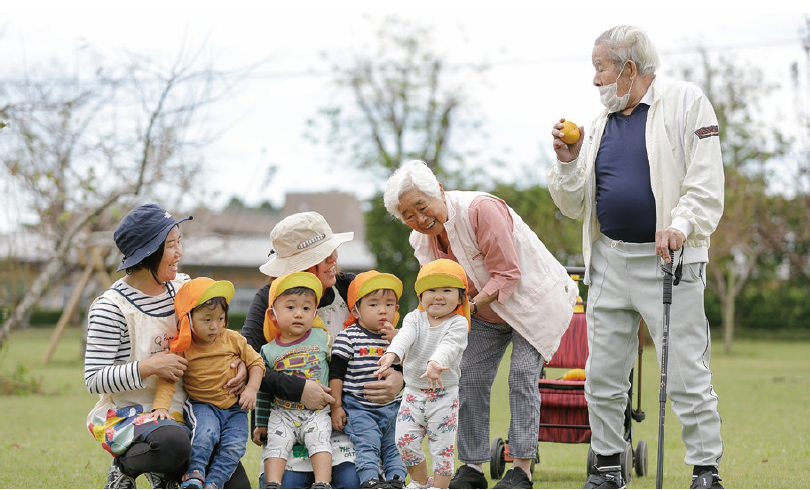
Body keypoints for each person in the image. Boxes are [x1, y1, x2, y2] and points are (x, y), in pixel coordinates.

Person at [547, 25, 725, 490]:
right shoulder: (601, 124)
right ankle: (608, 466)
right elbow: (573, 205)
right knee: (602, 374)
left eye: (600, 68)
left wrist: (680, 225)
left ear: (628, 68)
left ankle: (706, 471)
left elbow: (704, 185)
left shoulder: (687, 103)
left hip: (669, 260)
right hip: (607, 260)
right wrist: (568, 162)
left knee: (685, 371)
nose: (594, 80)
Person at [383, 161, 577, 489]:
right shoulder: (421, 240)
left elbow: (507, 274)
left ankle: (522, 470)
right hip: (483, 311)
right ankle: (472, 468)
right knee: (469, 377)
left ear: (439, 192)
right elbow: (434, 294)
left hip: (531, 303)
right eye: (408, 215)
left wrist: (465, 307)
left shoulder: (480, 210)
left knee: (520, 378)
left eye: (421, 206)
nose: (419, 219)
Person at [84, 203, 250, 489]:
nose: (180, 253)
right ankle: (124, 467)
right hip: (135, 417)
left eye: (179, 242)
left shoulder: (184, 289)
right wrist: (149, 366)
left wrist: (241, 364)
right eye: (171, 245)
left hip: (194, 412)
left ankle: (170, 473)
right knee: (174, 443)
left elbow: (216, 332)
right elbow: (93, 379)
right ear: (148, 253)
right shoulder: (111, 308)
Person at [241, 211, 405, 489]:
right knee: (289, 484)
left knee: (353, 481)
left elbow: (405, 339)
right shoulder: (268, 300)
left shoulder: (352, 290)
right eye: (323, 255)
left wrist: (400, 376)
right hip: (288, 416)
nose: (334, 259)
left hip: (350, 420)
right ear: (299, 266)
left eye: (332, 251)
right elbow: (247, 363)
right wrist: (297, 388)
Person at [150, 277, 266, 488]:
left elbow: (257, 362)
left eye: (220, 318)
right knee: (206, 434)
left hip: (235, 409)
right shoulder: (184, 346)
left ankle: (214, 483)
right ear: (189, 319)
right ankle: (194, 475)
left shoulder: (233, 339)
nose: (215, 326)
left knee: (235, 446)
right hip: (202, 406)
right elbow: (168, 379)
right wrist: (160, 407)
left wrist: (251, 389)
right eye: (207, 320)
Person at [375, 259, 471, 489]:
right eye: (431, 290)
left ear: (460, 298)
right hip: (413, 394)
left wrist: (435, 363)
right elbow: (404, 337)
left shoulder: (458, 323)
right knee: (404, 441)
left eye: (447, 290)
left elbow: (449, 345)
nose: (438, 296)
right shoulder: (414, 318)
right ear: (420, 296)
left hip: (444, 396)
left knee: (442, 447)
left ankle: (439, 487)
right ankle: (419, 483)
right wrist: (392, 355)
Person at [252, 272, 333, 489]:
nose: (299, 314)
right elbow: (263, 389)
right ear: (272, 314)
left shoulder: (322, 339)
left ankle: (322, 483)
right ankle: (273, 483)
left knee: (320, 439)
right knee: (276, 445)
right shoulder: (268, 350)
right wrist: (260, 422)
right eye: (290, 307)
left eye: (306, 308)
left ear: (315, 313)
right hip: (282, 412)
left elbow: (336, 372)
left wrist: (337, 406)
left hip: (316, 412)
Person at [329, 271, 407, 489]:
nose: (383, 310)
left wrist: (400, 344)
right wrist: (336, 407)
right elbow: (336, 374)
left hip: (392, 408)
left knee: (396, 445)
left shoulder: (399, 339)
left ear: (396, 310)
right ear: (356, 310)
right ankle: (369, 481)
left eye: (389, 304)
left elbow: (411, 369)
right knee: (368, 444)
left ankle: (396, 480)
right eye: (373, 305)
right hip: (360, 408)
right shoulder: (348, 337)